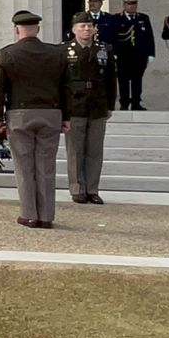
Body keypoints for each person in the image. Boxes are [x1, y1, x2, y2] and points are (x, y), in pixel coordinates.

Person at [0, 10, 67, 229]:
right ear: (38, 30)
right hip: (51, 112)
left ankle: (29, 214)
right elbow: (67, 87)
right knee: (46, 166)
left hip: (20, 113)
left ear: (17, 30)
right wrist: (67, 116)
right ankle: (46, 216)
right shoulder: (57, 53)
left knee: (24, 166)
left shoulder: (7, 54)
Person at [63, 12, 117, 205]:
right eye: (82, 26)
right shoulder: (64, 50)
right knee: (75, 150)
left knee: (94, 150)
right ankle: (77, 188)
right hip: (75, 105)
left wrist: (110, 105)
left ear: (95, 29)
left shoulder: (104, 49)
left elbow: (111, 79)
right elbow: (60, 81)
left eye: (89, 26)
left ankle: (93, 189)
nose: (86, 29)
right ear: (73, 30)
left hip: (97, 104)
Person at [109, 0, 155, 112]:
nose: (132, 6)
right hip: (123, 56)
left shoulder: (143, 18)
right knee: (123, 80)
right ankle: (124, 103)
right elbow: (113, 37)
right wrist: (114, 53)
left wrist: (151, 54)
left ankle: (136, 103)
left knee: (137, 80)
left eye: (134, 3)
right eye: (129, 4)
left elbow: (149, 37)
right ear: (124, 5)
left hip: (139, 56)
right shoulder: (116, 18)